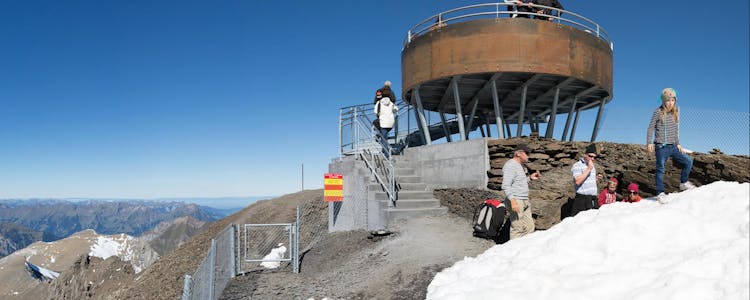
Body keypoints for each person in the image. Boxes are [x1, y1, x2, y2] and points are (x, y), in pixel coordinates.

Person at [646, 88, 695, 204]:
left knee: (688, 161)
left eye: (673, 100)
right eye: (668, 100)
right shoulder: (657, 112)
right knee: (660, 169)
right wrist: (649, 142)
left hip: (673, 146)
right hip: (661, 147)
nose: (670, 103)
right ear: (663, 101)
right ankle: (660, 192)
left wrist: (678, 144)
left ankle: (683, 182)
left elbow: (675, 131)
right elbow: (650, 128)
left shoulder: (676, 112)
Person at [502, 144, 541, 240]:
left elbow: (518, 182)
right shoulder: (510, 165)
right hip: (516, 200)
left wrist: (530, 178)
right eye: (527, 153)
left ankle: (524, 250)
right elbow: (506, 185)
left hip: (524, 200)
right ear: (519, 153)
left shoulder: (520, 166)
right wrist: (513, 201)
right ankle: (514, 252)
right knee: (517, 228)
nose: (528, 156)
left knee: (529, 227)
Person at [571, 143, 598, 216]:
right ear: (585, 155)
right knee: (578, 223)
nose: (592, 159)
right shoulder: (577, 165)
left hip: (592, 199)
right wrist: (589, 169)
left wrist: (596, 180)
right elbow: (577, 181)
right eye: (590, 156)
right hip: (582, 200)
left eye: (594, 157)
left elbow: (587, 180)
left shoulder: (592, 165)